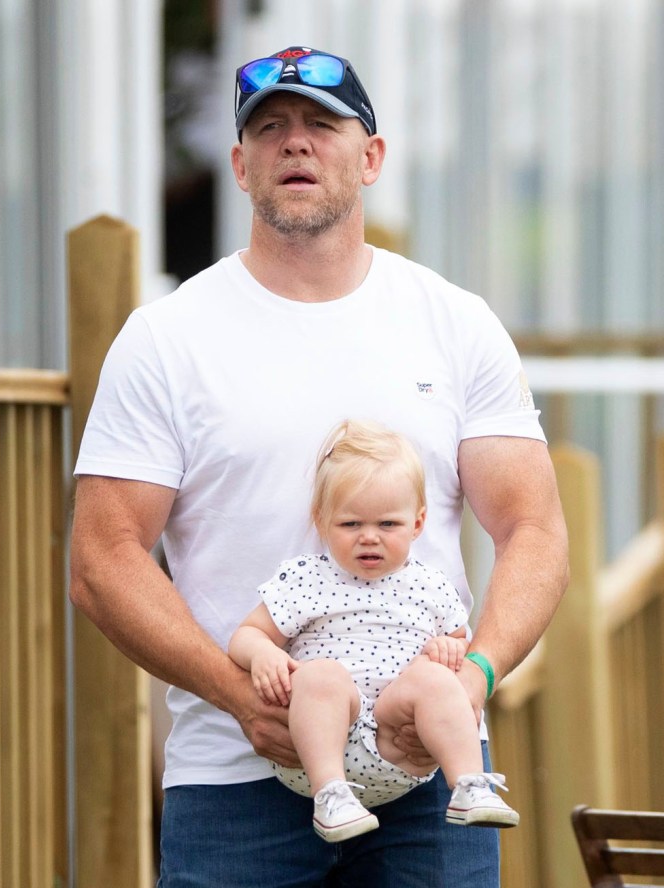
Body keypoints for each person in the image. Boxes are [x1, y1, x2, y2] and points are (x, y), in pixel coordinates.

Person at [69, 43, 568, 888]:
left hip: (429, 776)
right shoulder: (167, 338)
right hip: (235, 779)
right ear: (239, 163)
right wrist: (239, 700)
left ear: (370, 156)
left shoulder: (454, 323)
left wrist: (477, 674)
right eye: (269, 129)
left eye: (321, 125)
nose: (294, 143)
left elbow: (534, 528)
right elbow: (101, 559)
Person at [229, 419, 520, 842]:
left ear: (417, 524)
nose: (369, 538)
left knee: (436, 680)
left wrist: (447, 649)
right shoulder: (307, 578)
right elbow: (246, 634)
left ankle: (469, 785)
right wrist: (263, 655)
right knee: (321, 675)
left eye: (388, 525)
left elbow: (461, 644)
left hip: (401, 744)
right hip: (318, 746)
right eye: (351, 525)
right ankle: (332, 797)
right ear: (322, 521)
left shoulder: (431, 585)